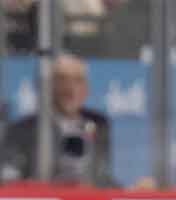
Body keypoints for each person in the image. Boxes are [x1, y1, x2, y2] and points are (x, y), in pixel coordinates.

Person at [0, 53, 118, 187]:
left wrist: (132, 191)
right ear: (47, 86)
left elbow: (102, 177)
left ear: (86, 88)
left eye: (77, 80)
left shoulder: (98, 124)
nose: (70, 88)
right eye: (62, 79)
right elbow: (9, 179)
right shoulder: (22, 129)